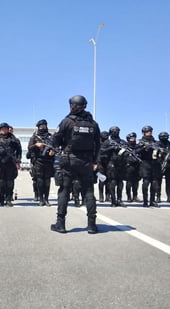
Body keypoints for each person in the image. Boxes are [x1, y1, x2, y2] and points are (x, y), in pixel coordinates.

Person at [50, 95, 101, 234]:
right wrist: (95, 162)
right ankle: (92, 225)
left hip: (69, 161)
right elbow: (98, 144)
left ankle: (60, 224)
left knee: (64, 191)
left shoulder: (67, 122)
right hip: (87, 162)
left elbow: (56, 141)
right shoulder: (93, 124)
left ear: (73, 106)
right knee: (89, 192)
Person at [0, 122, 22, 206]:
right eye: (2, 129)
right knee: (1, 183)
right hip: (0, 164)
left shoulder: (14, 139)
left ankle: (8, 199)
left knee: (10, 183)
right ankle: (1, 200)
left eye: (5, 129)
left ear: (8, 130)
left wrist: (18, 161)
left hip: (10, 164)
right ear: (0, 130)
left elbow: (19, 151)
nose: (4, 130)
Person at [27, 119, 55, 206]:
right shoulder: (35, 137)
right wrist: (36, 145)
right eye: (41, 126)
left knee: (47, 181)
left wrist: (53, 151)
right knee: (39, 181)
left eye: (44, 125)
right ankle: (41, 198)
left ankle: (46, 199)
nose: (43, 127)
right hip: (38, 161)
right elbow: (29, 148)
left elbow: (56, 147)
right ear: (38, 127)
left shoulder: (50, 137)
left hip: (48, 161)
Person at [99, 126, 127, 207]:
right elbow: (102, 151)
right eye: (114, 131)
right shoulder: (107, 142)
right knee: (112, 182)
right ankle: (113, 200)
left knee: (120, 183)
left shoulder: (122, 142)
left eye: (117, 130)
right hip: (111, 164)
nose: (116, 132)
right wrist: (112, 148)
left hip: (121, 164)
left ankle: (119, 199)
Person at [135, 125, 161, 208]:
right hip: (145, 164)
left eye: (150, 131)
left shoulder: (156, 142)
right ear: (143, 133)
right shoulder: (141, 142)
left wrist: (160, 151)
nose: (149, 133)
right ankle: (145, 201)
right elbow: (136, 151)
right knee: (146, 183)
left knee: (154, 183)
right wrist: (144, 147)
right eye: (147, 131)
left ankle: (152, 201)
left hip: (155, 164)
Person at [156, 132, 170, 203]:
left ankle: (169, 197)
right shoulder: (157, 144)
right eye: (163, 136)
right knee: (158, 182)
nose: (164, 138)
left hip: (168, 165)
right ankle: (158, 197)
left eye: (166, 136)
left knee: (168, 182)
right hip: (159, 165)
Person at [124, 132, 141, 202]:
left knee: (136, 182)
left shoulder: (138, 146)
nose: (133, 139)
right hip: (128, 166)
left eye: (134, 138)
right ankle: (128, 196)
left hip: (137, 166)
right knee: (129, 182)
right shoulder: (125, 146)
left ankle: (135, 196)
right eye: (131, 138)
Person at [97, 131, 110, 202]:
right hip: (100, 163)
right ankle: (101, 196)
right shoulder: (97, 143)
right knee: (102, 180)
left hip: (108, 163)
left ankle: (108, 196)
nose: (105, 136)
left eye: (107, 135)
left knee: (108, 181)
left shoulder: (110, 142)